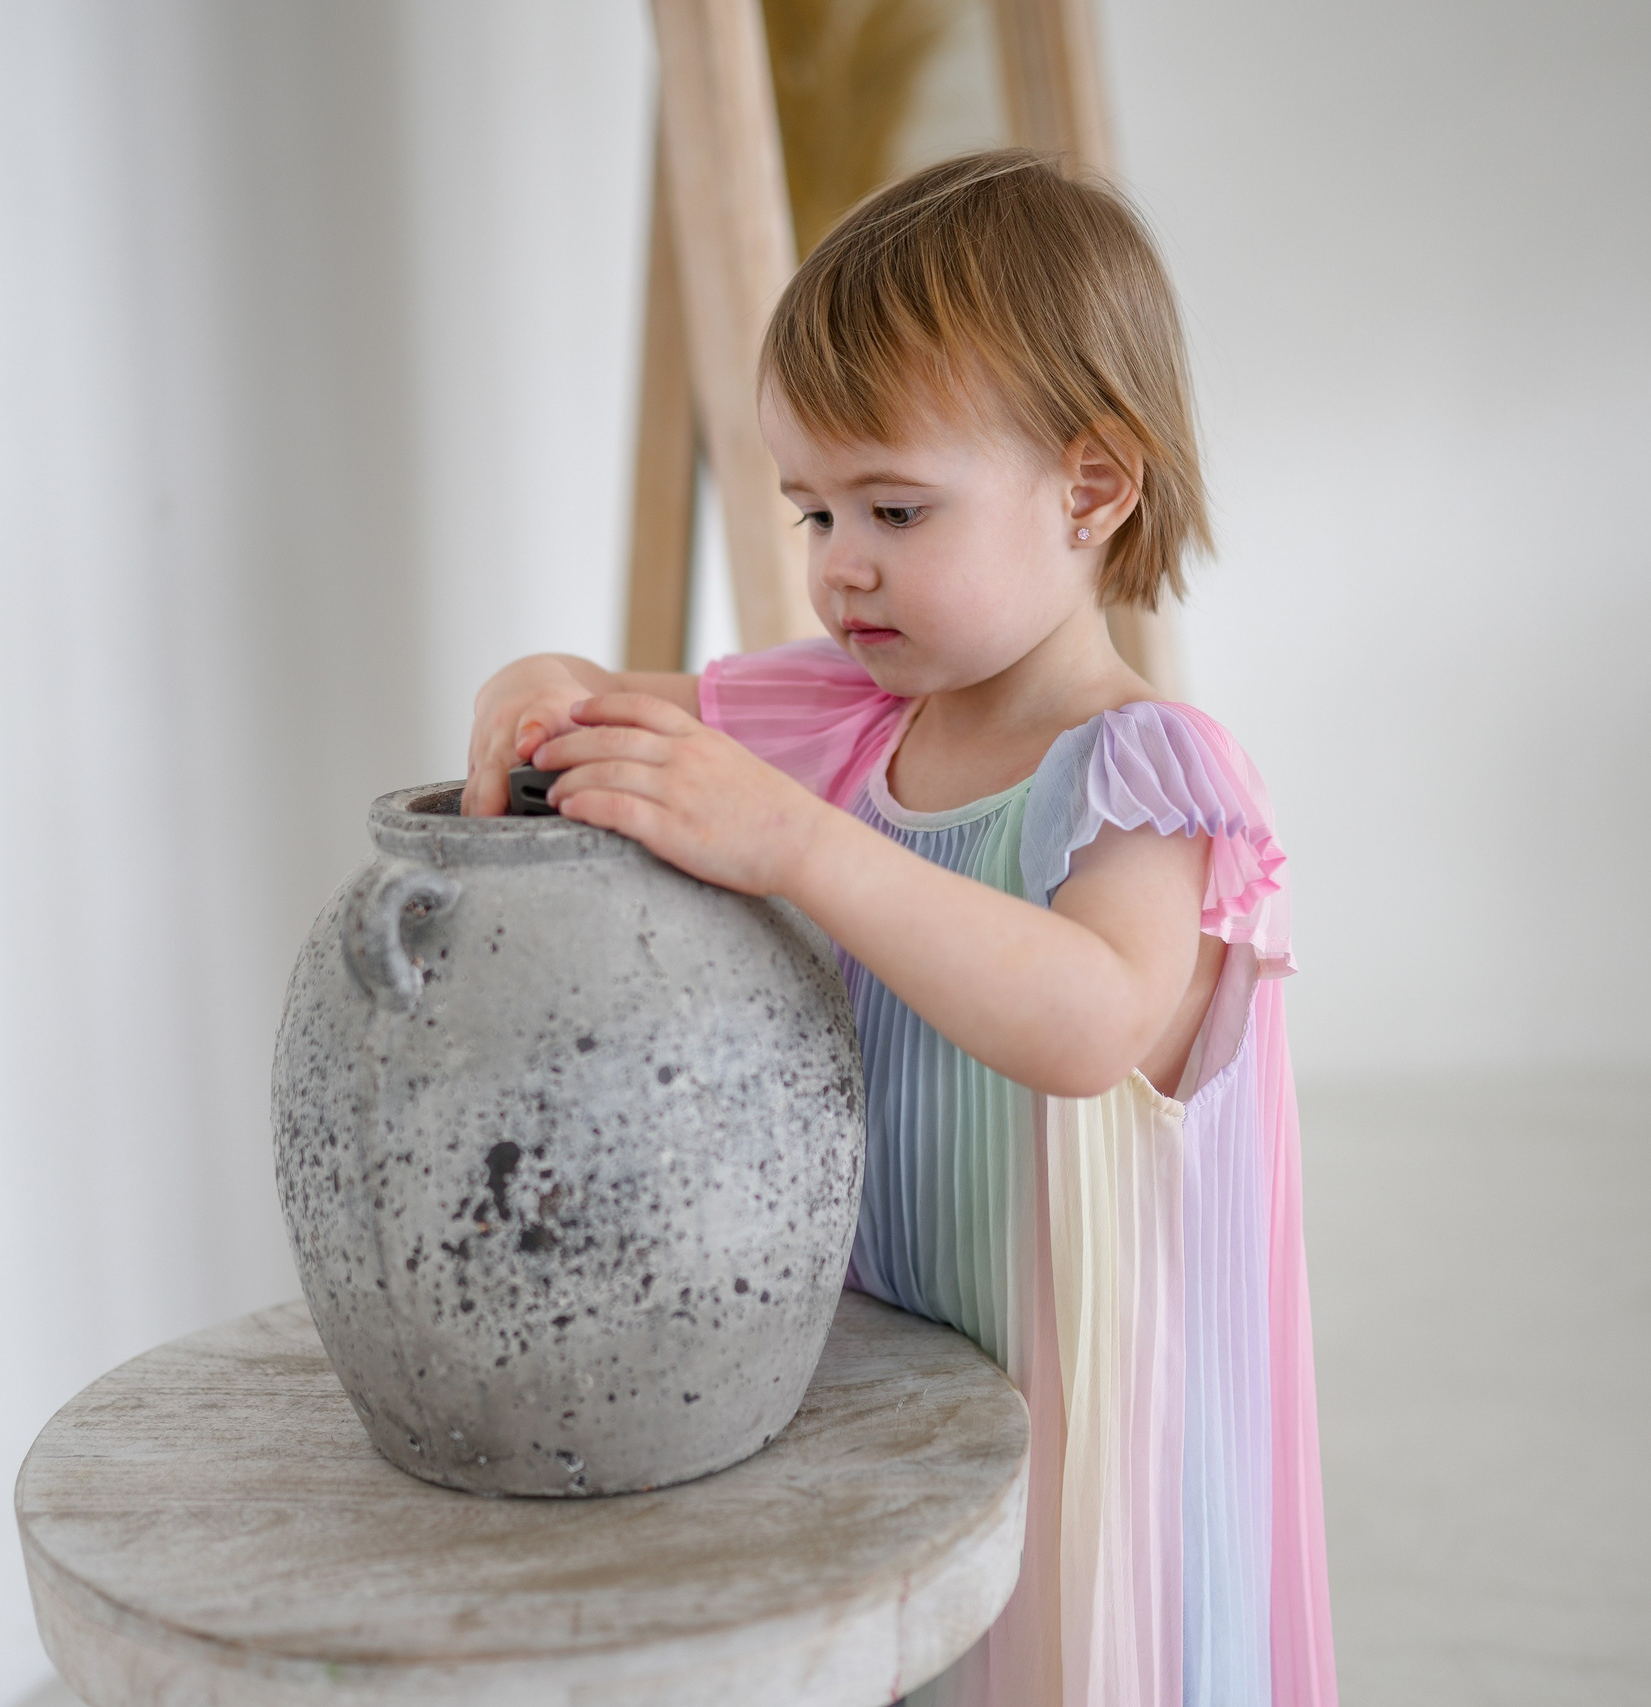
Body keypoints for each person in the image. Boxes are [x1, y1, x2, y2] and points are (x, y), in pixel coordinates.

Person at [464, 150, 1335, 1707]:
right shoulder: (856, 707)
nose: (836, 563)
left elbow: (1089, 1023)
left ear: (1091, 488)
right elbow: (617, 707)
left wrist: (795, 839)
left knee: (1056, 1659)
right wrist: (534, 685)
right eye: (810, 507)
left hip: (1091, 1407)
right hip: (899, 1358)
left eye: (895, 506)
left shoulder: (1143, 772)